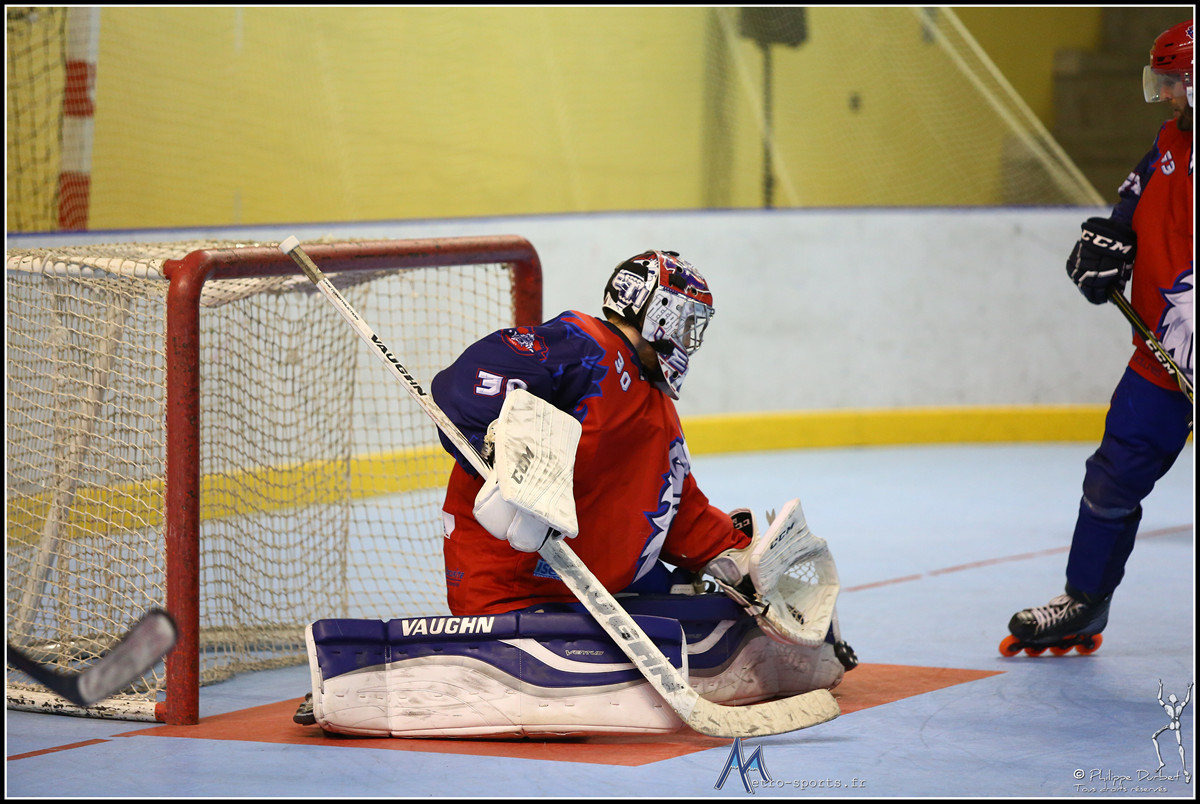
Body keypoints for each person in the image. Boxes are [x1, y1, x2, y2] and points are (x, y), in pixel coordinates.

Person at [293, 250, 854, 737]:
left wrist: (731, 555)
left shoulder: (657, 404)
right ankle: (381, 677)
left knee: (699, 606)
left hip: (595, 587)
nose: (690, 341)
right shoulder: (583, 347)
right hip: (517, 586)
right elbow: (466, 384)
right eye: (687, 323)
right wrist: (505, 461)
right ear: (659, 314)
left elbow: (674, 505)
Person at [1005, 19, 1194, 653]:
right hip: (1163, 357)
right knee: (1111, 478)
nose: (1165, 94)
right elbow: (1133, 204)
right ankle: (1084, 602)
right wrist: (1110, 243)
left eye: (1176, 81)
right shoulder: (1171, 138)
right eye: (1163, 81)